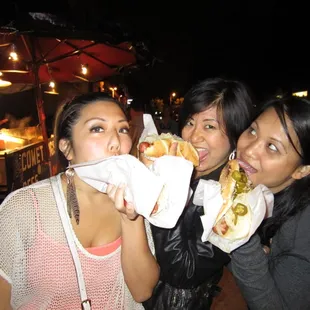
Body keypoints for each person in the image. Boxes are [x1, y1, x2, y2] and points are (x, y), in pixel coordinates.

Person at [0, 93, 159, 310]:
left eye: (122, 129)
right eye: (97, 129)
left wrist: (130, 219)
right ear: (66, 148)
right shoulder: (22, 208)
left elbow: (142, 291)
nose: (116, 142)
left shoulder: (135, 198)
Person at [142, 77, 255, 309]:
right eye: (190, 122)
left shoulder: (237, 200)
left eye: (210, 126)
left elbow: (183, 272)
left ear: (235, 137)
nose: (193, 137)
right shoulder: (182, 168)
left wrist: (165, 192)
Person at [230, 96, 310, 309]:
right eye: (253, 131)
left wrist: (239, 231)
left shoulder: (304, 227)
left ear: (301, 170)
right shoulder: (236, 183)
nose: (249, 150)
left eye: (272, 147)